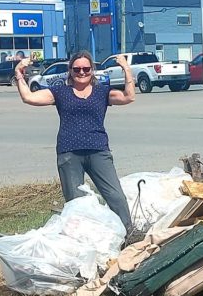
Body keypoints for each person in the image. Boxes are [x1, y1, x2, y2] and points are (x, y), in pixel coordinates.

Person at [14, 51, 135, 231]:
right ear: (70, 70)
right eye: (77, 69)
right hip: (69, 153)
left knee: (115, 196)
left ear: (92, 70)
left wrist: (126, 68)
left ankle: (129, 233)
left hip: (98, 150)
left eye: (86, 68)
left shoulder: (102, 92)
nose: (81, 72)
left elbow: (128, 97)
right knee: (76, 203)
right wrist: (19, 73)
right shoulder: (60, 92)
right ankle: (80, 240)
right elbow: (29, 97)